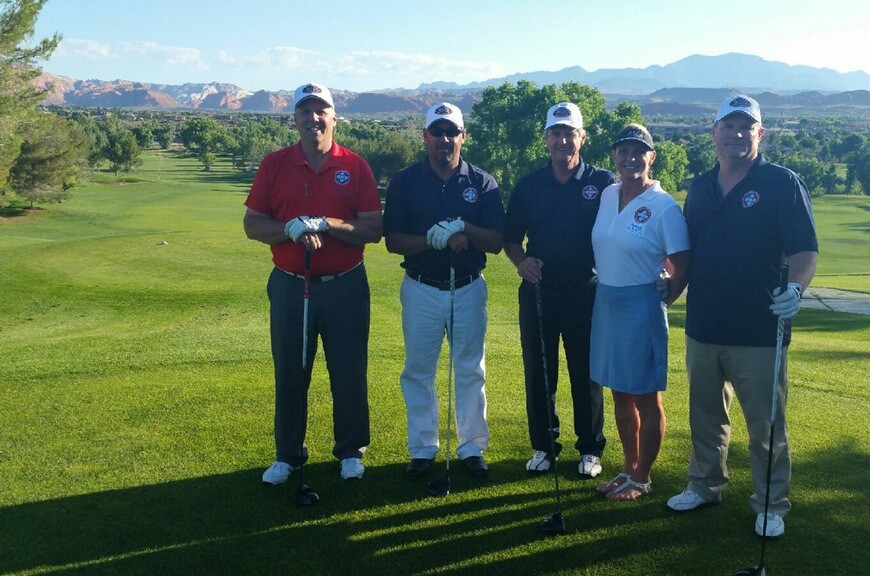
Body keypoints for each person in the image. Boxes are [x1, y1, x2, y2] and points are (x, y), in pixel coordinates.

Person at [665, 95, 818, 539]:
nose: (736, 134)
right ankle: (704, 485)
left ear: (759, 133)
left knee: (766, 424)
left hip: (760, 326)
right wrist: (669, 280)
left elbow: (806, 249)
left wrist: (796, 287)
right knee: (705, 414)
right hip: (705, 324)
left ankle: (770, 502)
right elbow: (687, 251)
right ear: (713, 133)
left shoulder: (782, 183)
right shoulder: (700, 187)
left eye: (745, 126)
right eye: (728, 126)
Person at [243, 82, 383, 485]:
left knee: (349, 369)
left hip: (345, 285)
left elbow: (373, 227)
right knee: (290, 369)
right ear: (295, 119)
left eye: (321, 110)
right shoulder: (275, 164)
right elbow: (253, 224)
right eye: (305, 111)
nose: (313, 118)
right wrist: (288, 229)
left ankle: (351, 451)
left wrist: (328, 224)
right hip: (289, 283)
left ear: (334, 117)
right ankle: (289, 454)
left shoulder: (355, 166)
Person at [383, 102, 505, 481]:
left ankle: (471, 447)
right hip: (421, 288)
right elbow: (393, 241)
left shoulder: (482, 182)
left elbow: (497, 241)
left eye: (452, 132)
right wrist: (432, 240)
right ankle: (422, 449)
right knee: (419, 370)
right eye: (437, 132)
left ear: (463, 137)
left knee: (470, 369)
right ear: (425, 137)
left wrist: (463, 228)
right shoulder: (405, 181)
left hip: (467, 288)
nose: (444, 139)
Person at [504, 102, 616, 478]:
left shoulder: (602, 183)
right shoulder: (529, 185)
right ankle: (544, 446)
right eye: (556, 134)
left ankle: (590, 448)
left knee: (587, 373)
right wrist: (521, 262)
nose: (563, 140)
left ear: (582, 138)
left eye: (570, 133)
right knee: (540, 372)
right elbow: (510, 238)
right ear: (546, 139)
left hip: (587, 291)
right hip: (539, 291)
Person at [590, 123, 690, 501]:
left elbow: (682, 263)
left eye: (639, 151)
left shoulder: (663, 206)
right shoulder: (607, 194)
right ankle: (629, 469)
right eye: (623, 151)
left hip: (641, 306)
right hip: (607, 304)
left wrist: (663, 299)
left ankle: (643, 477)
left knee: (647, 400)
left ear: (652, 157)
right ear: (614, 155)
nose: (630, 158)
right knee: (620, 395)